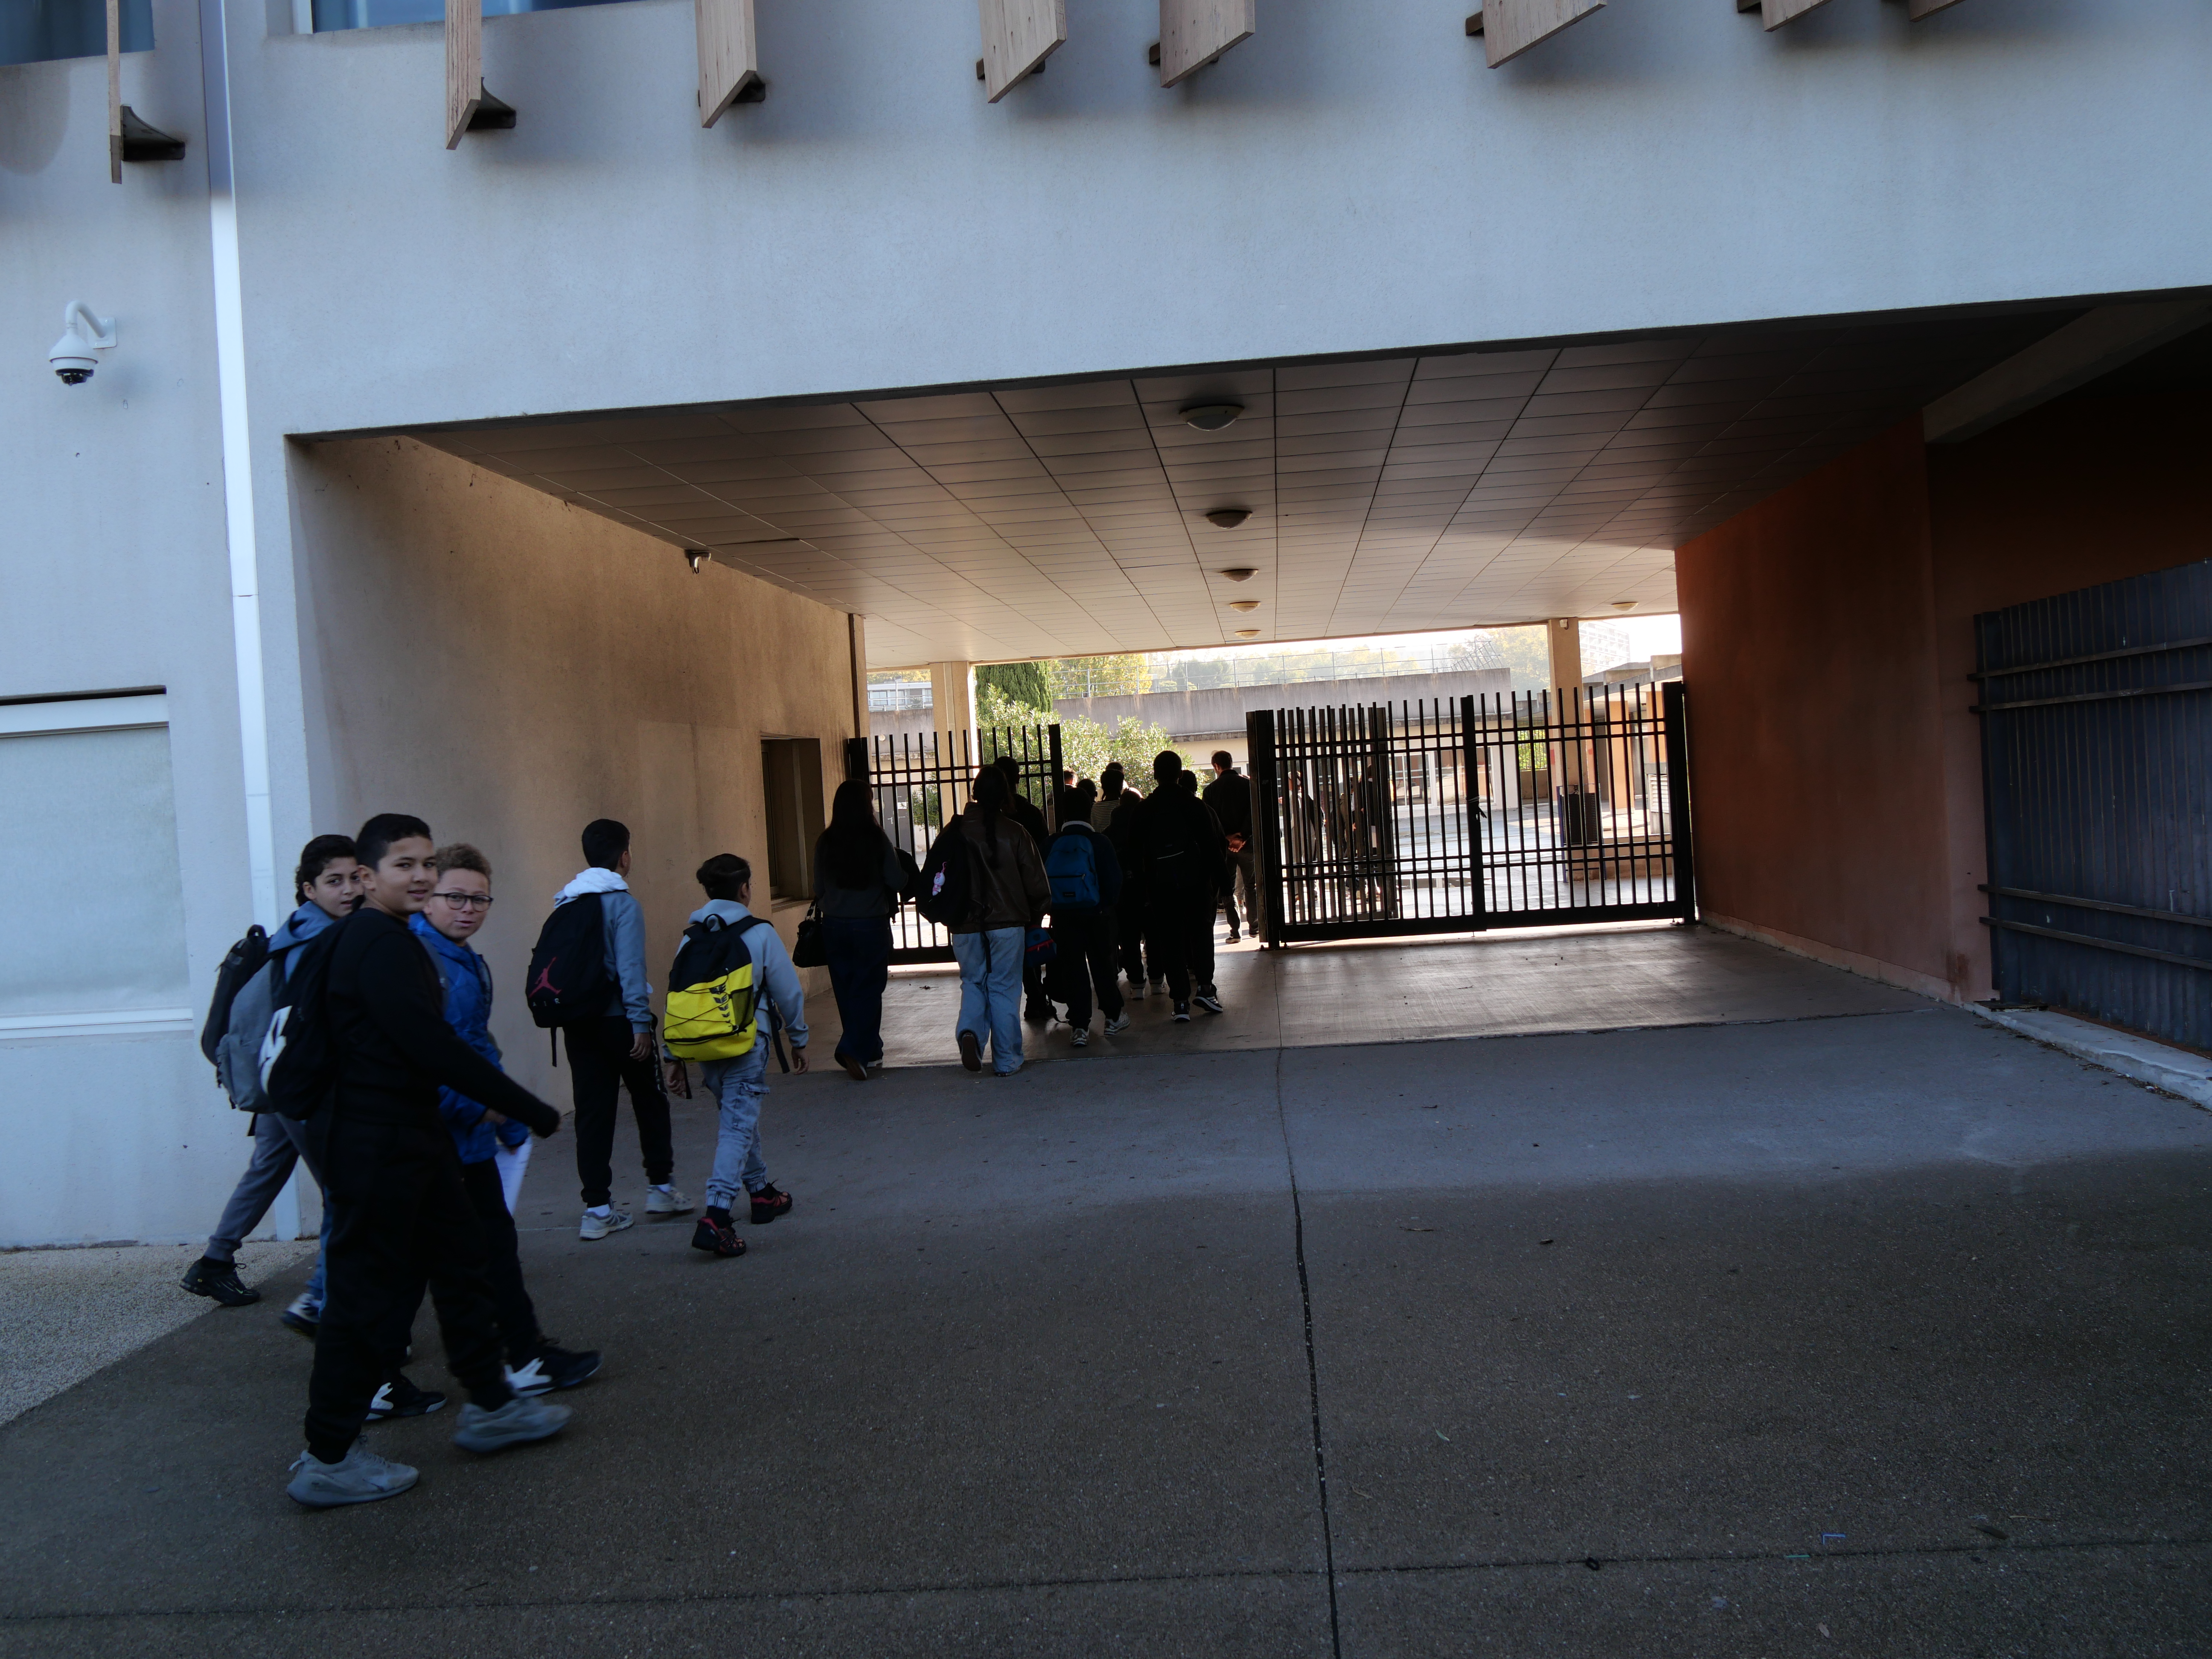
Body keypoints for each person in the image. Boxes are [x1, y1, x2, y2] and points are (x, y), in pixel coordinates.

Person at [288, 813, 570, 1509]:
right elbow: (433, 1046)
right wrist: (529, 1106)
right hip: (375, 1145)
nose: (419, 876)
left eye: (425, 863)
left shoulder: (387, 938)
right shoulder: (376, 943)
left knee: (464, 1266)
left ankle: (494, 1405)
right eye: (401, 865)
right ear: (367, 875)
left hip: (415, 1139)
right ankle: (328, 1455)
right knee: (362, 1299)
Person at [408, 844, 600, 1396]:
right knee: (458, 1263)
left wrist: (504, 1116)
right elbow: (431, 1056)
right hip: (444, 1141)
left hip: (466, 1139)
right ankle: (507, 1367)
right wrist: (486, 1107)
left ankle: (520, 1356)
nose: (469, 908)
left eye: (479, 898)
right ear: (428, 897)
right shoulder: (429, 963)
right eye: (456, 897)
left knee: (483, 1255)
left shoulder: (459, 957)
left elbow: (473, 1048)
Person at [183, 835, 360, 1323]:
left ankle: (214, 1262)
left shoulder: (299, 930)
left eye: (354, 878)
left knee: (269, 1168)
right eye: (334, 881)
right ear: (308, 888)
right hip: (301, 1086)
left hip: (277, 1079)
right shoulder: (316, 940)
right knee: (346, 1193)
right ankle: (326, 1302)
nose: (348, 890)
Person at [553, 819, 688, 1241]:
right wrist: (640, 1024)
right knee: (650, 1101)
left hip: (578, 1025)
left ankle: (597, 1209)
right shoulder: (622, 903)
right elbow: (631, 970)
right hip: (621, 1024)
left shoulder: (566, 901)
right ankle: (661, 1189)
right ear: (624, 856)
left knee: (593, 1114)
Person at [676, 855, 806, 1257]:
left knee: (736, 1116)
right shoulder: (760, 934)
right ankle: (717, 1216)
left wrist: (672, 1055)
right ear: (745, 889)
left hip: (704, 1046)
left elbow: (678, 996)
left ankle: (761, 1192)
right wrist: (799, 1037)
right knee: (736, 1125)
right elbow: (788, 992)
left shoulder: (691, 935)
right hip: (748, 1042)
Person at [950, 768, 1049, 1075]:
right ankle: (1007, 1060)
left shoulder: (954, 831)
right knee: (1005, 988)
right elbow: (1038, 886)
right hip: (1008, 925)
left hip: (965, 926)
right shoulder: (1016, 832)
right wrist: (1035, 918)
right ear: (1006, 795)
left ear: (975, 793)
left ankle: (970, 1033)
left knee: (973, 982)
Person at [812, 780, 906, 1081]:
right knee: (868, 988)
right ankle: (854, 1049)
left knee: (846, 988)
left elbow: (817, 887)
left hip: (834, 924)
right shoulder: (876, 840)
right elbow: (896, 880)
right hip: (870, 924)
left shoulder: (825, 842)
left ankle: (871, 1049)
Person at [1132, 751, 1228, 1022]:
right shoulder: (1194, 806)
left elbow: (1133, 854)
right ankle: (1206, 990)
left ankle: (1181, 1003)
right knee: (1200, 935)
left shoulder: (1144, 809)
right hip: (1195, 884)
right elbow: (1212, 847)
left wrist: (1144, 888)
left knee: (1170, 941)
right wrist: (1224, 882)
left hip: (1161, 887)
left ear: (1155, 774)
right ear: (1179, 773)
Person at [1043, 801, 1126, 1046]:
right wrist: (1106, 905)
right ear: (1088, 813)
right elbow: (1114, 880)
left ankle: (1079, 1027)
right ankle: (1113, 1018)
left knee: (1073, 969)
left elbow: (1039, 881)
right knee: (1102, 965)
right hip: (1096, 914)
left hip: (1063, 916)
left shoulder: (1050, 843)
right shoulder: (1100, 842)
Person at [989, 754, 1055, 1024]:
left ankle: (1007, 1004)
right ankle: (1036, 998)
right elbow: (1043, 853)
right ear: (1017, 779)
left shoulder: (984, 819)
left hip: (992, 896)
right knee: (1030, 945)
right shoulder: (1029, 813)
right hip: (1026, 895)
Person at [1101, 768, 1155, 996]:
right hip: (1147, 892)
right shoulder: (1148, 830)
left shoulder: (1107, 835)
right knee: (1154, 936)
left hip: (1121, 896)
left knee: (1129, 940)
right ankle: (1158, 978)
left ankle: (1136, 984)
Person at [1204, 752, 1260, 944]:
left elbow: (1211, 820)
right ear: (1231, 763)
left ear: (1216, 766)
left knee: (1227, 888)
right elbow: (1254, 813)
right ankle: (1255, 926)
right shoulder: (1248, 785)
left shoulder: (1210, 791)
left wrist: (1227, 839)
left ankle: (1235, 931)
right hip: (1248, 845)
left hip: (1224, 848)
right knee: (1251, 886)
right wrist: (1242, 837)